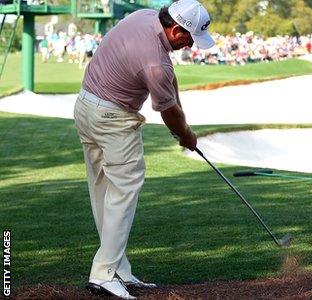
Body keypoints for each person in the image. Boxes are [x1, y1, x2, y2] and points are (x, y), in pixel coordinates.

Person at [73, 0, 214, 298]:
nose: (190, 45)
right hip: (112, 118)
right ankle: (104, 275)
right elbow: (168, 112)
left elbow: (170, 84)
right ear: (176, 30)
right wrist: (186, 135)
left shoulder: (145, 17)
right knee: (125, 188)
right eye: (189, 38)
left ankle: (117, 270)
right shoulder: (155, 62)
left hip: (85, 106)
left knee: (105, 191)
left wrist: (182, 121)